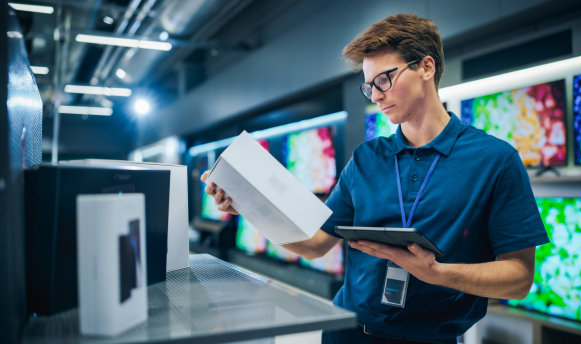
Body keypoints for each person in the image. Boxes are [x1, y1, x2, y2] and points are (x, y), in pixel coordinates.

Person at [201, 13, 549, 344]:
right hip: (346, 332)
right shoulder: (366, 159)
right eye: (369, 86)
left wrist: (437, 273)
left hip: (432, 338)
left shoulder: (494, 159)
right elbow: (314, 244)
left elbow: (518, 278)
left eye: (384, 79)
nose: (377, 94)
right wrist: (247, 205)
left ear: (426, 67)